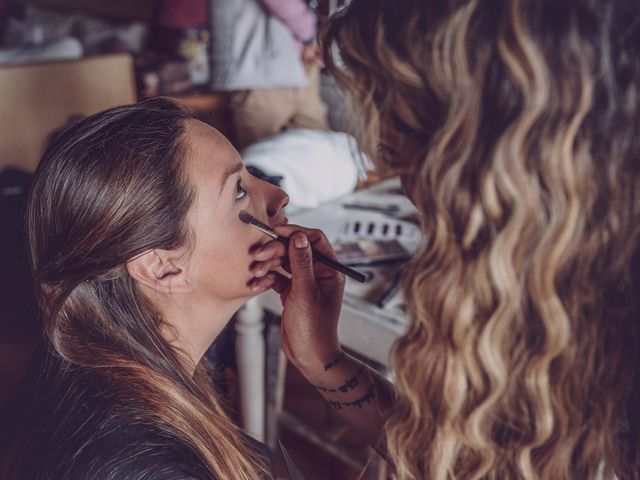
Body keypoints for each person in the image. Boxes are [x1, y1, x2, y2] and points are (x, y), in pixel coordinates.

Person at [258, 0, 640, 478]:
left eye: (397, 115)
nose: (386, 157)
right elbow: (467, 458)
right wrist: (322, 358)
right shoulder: (540, 267)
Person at [0, 97, 293, 479]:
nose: (278, 196)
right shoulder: (147, 465)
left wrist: (324, 361)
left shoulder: (76, 358)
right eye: (238, 190)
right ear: (161, 267)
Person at [209, 0, 328, 149]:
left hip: (294, 66)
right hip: (262, 72)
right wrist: (310, 36)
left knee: (317, 151)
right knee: (261, 158)